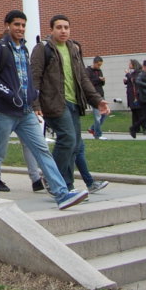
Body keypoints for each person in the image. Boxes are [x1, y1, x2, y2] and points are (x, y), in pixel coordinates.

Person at [0, 9, 89, 210]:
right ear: (7, 26)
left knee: (42, 151)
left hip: (26, 111)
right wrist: (8, 93)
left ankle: (61, 194)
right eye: (16, 25)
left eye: (23, 25)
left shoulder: (24, 49)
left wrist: (33, 97)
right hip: (4, 112)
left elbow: (29, 78)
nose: (20, 28)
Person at [30, 14, 110, 195]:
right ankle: (53, 179)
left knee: (75, 145)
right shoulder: (42, 49)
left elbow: (83, 77)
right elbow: (34, 78)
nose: (63, 31)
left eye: (66, 27)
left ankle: (67, 186)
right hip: (54, 102)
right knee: (68, 139)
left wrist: (97, 100)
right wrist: (35, 105)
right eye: (59, 27)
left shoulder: (73, 49)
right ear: (51, 30)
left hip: (74, 102)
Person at [86, 56, 107, 139]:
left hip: (101, 94)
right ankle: (98, 135)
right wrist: (98, 79)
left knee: (104, 113)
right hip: (93, 96)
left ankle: (92, 128)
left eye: (100, 65)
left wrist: (102, 81)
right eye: (98, 65)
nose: (99, 67)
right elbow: (88, 83)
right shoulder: (88, 71)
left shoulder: (99, 71)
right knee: (97, 115)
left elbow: (101, 84)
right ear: (94, 63)